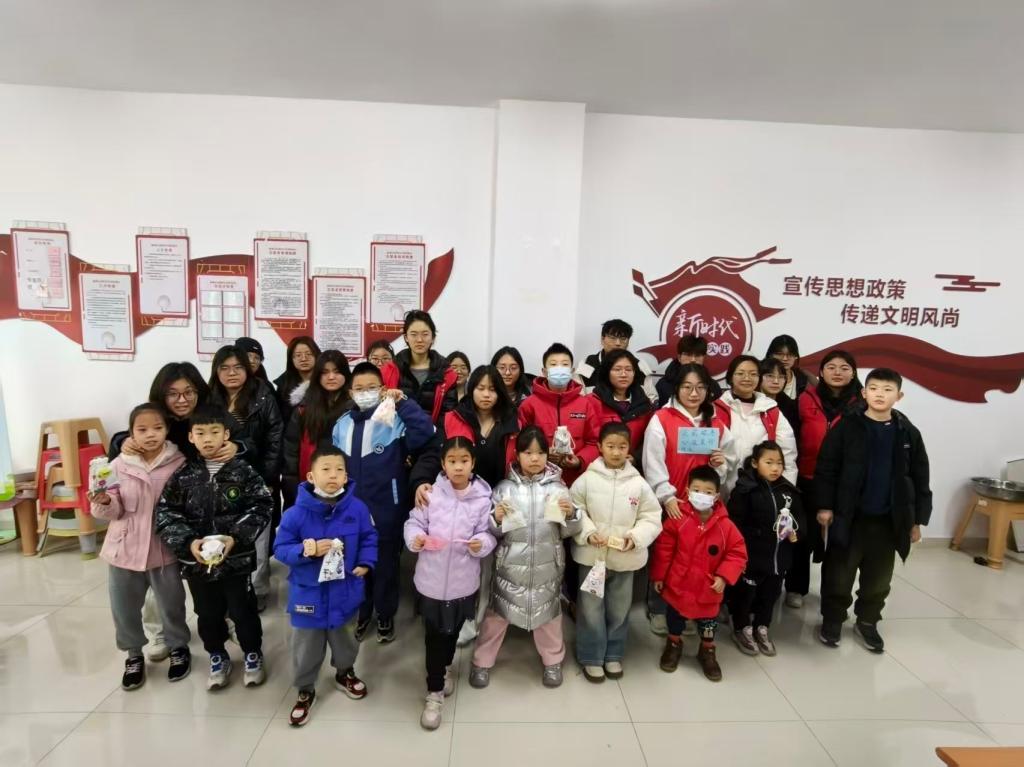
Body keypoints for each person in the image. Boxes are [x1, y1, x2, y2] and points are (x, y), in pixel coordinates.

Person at [108, 362, 247, 662]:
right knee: (155, 581)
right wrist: (121, 442)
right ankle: (158, 633)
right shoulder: (154, 421)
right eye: (173, 393)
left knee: (211, 572)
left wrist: (238, 447)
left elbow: (245, 442)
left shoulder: (210, 415)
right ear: (161, 395)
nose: (182, 400)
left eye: (189, 392)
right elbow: (121, 445)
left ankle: (224, 622)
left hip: (206, 511)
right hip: (160, 520)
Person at [155, 405, 273, 690]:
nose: (207, 439)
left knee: (242, 610)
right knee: (207, 613)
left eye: (214, 432)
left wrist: (235, 537)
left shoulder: (243, 471)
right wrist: (189, 543)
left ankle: (252, 653)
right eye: (200, 433)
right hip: (198, 564)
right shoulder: (183, 475)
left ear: (226, 435)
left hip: (236, 561)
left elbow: (262, 505)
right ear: (191, 437)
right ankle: (217, 655)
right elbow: (166, 513)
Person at [815, 368, 931, 653]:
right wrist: (825, 506)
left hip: (888, 520)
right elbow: (827, 467)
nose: (880, 394)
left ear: (899, 396)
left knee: (878, 578)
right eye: (874, 388)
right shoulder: (847, 427)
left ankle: (867, 621)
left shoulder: (907, 432)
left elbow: (920, 477)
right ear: (864, 393)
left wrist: (917, 520)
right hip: (849, 517)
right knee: (839, 574)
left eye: (887, 389)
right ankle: (833, 619)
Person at [469, 426, 581, 689]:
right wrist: (495, 519)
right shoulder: (504, 489)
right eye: (528, 452)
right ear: (517, 455)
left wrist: (571, 514)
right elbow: (493, 530)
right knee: (497, 616)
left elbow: (570, 531)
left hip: (547, 568)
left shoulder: (559, 488)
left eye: (540, 452)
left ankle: (553, 661)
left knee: (549, 617)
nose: (534, 458)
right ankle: (482, 661)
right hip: (509, 569)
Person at [89, 403, 191, 690]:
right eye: (142, 429)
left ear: (167, 430)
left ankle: (178, 647)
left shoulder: (180, 463)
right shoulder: (117, 465)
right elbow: (111, 511)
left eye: (157, 428)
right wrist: (104, 501)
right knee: (124, 608)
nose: (150, 435)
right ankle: (133, 654)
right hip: (124, 549)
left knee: (171, 604)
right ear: (131, 433)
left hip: (163, 549)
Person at [274, 447, 378, 727]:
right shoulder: (295, 514)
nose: (333, 475)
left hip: (346, 591)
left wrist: (366, 562)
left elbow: (369, 537)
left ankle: (345, 672)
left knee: (346, 638)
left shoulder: (358, 509)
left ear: (346, 476)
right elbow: (280, 549)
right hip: (308, 594)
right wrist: (305, 550)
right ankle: (305, 688)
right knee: (305, 645)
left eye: (339, 470)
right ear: (311, 476)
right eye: (326, 469)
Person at [333, 362, 436, 644]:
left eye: (372, 388)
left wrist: (402, 402)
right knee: (356, 564)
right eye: (359, 388)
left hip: (388, 508)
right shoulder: (342, 424)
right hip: (351, 512)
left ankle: (385, 614)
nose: (365, 393)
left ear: (382, 390)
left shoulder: (393, 418)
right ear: (350, 392)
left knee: (385, 566)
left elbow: (425, 433)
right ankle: (363, 612)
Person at [418, 365, 518, 647]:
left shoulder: (512, 421)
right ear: (471, 389)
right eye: (481, 388)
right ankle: (457, 618)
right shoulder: (454, 417)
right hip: (461, 500)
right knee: (462, 561)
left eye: (493, 389)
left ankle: (480, 619)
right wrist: (421, 480)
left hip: (498, 500)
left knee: (488, 564)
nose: (486, 394)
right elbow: (434, 454)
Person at [404, 437, 496, 730]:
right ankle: (434, 693)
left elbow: (488, 534)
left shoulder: (483, 499)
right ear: (443, 464)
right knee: (434, 637)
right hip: (431, 582)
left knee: (452, 632)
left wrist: (480, 543)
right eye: (452, 461)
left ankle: (444, 668)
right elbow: (413, 523)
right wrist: (415, 538)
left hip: (462, 583)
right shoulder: (431, 494)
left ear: (473, 463)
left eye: (464, 461)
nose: (458, 467)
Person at [643, 364, 736, 637]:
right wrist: (666, 496)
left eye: (700, 387)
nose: (693, 393)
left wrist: (720, 464)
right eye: (687, 387)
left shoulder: (715, 423)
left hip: (704, 506)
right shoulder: (662, 419)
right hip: (673, 503)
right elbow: (653, 461)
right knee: (666, 556)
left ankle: (692, 610)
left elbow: (729, 463)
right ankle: (659, 609)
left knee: (698, 560)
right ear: (676, 388)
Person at [570, 423, 662, 683]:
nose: (616, 452)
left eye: (622, 446)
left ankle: (613, 654)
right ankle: (591, 656)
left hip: (625, 560)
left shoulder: (639, 484)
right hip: (592, 558)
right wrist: (588, 532)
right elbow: (575, 510)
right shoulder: (586, 480)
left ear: (629, 448)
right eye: (610, 446)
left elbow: (651, 517)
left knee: (620, 610)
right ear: (600, 447)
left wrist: (636, 538)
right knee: (590, 610)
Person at [651, 466, 747, 682]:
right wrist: (659, 576)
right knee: (675, 617)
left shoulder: (725, 526)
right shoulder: (677, 518)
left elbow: (738, 552)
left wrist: (724, 576)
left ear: (716, 496)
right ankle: (673, 643)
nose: (701, 495)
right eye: (696, 490)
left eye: (707, 492)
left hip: (708, 588)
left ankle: (707, 650)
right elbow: (664, 549)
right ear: (687, 491)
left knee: (708, 622)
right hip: (678, 583)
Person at [784, 350, 864, 609]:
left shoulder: (862, 403)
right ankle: (796, 588)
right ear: (821, 372)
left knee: (839, 541)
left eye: (844, 367)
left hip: (845, 484)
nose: (837, 372)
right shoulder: (806, 399)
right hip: (807, 477)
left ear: (853, 372)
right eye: (831, 367)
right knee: (802, 536)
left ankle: (833, 595)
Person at [208, 345, 284, 612]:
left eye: (238, 367)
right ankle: (226, 589)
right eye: (225, 368)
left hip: (255, 477)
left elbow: (275, 440)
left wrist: (268, 478)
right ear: (216, 371)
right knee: (223, 535)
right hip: (217, 480)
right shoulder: (209, 397)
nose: (232, 373)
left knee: (258, 539)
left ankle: (258, 589)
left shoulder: (263, 395)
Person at [726, 441, 804, 656]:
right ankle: (742, 626)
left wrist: (796, 533)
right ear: (755, 463)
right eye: (769, 462)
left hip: (778, 557)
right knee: (746, 594)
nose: (775, 468)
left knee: (770, 594)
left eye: (779, 463)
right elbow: (735, 524)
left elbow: (799, 518)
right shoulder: (745, 489)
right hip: (752, 556)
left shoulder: (788, 491)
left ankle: (762, 626)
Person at [517, 342, 600, 487]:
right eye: (554, 364)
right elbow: (519, 444)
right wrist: (542, 452)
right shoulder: (529, 405)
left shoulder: (585, 404)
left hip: (578, 483)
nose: (559, 368)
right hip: (539, 483)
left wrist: (580, 460)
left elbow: (594, 442)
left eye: (565, 364)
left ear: (572, 370)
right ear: (544, 372)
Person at [714, 355, 798, 494]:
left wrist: (784, 490)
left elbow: (787, 455)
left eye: (753, 374)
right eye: (740, 373)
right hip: (723, 489)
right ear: (730, 378)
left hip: (762, 492)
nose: (747, 378)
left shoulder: (771, 410)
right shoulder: (715, 409)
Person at [281, 350, 351, 508]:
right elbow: (291, 451)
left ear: (346, 374)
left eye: (337, 371)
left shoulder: (356, 408)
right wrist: (293, 488)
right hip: (310, 483)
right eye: (325, 372)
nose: (331, 377)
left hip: (346, 482)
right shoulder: (304, 408)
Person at [382, 310, 457, 425]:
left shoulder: (446, 372)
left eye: (425, 334)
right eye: (413, 334)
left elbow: (448, 414)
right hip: (397, 433)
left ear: (433, 337)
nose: (419, 340)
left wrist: (434, 434)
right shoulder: (391, 370)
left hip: (433, 433)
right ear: (406, 337)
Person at [589, 349, 656, 464]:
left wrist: (636, 458)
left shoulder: (644, 404)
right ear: (607, 372)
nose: (624, 374)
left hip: (632, 467)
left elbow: (649, 439)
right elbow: (588, 439)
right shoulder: (592, 402)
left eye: (629, 369)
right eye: (617, 369)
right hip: (598, 465)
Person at [576, 318, 657, 402]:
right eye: (613, 338)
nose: (618, 343)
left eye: (623, 338)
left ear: (628, 341)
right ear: (602, 339)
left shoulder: (639, 366)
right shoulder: (587, 365)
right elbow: (578, 400)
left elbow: (651, 399)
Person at [656, 334, 722, 406]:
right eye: (688, 355)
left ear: (704, 358)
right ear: (679, 357)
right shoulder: (663, 385)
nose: (693, 359)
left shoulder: (713, 386)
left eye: (697, 355)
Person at [274, 336, 322, 429]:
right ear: (292, 359)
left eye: (308, 354)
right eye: (298, 355)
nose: (303, 359)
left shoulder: (325, 382)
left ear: (317, 356)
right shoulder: (283, 384)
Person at [758, 357, 800, 443]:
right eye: (770, 376)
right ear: (758, 377)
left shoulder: (791, 407)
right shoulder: (749, 402)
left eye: (781, 377)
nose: (776, 381)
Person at [766, 335, 817, 400]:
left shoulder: (804, 378)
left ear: (795, 356)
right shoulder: (760, 376)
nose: (785, 358)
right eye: (779, 354)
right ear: (771, 355)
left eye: (790, 354)